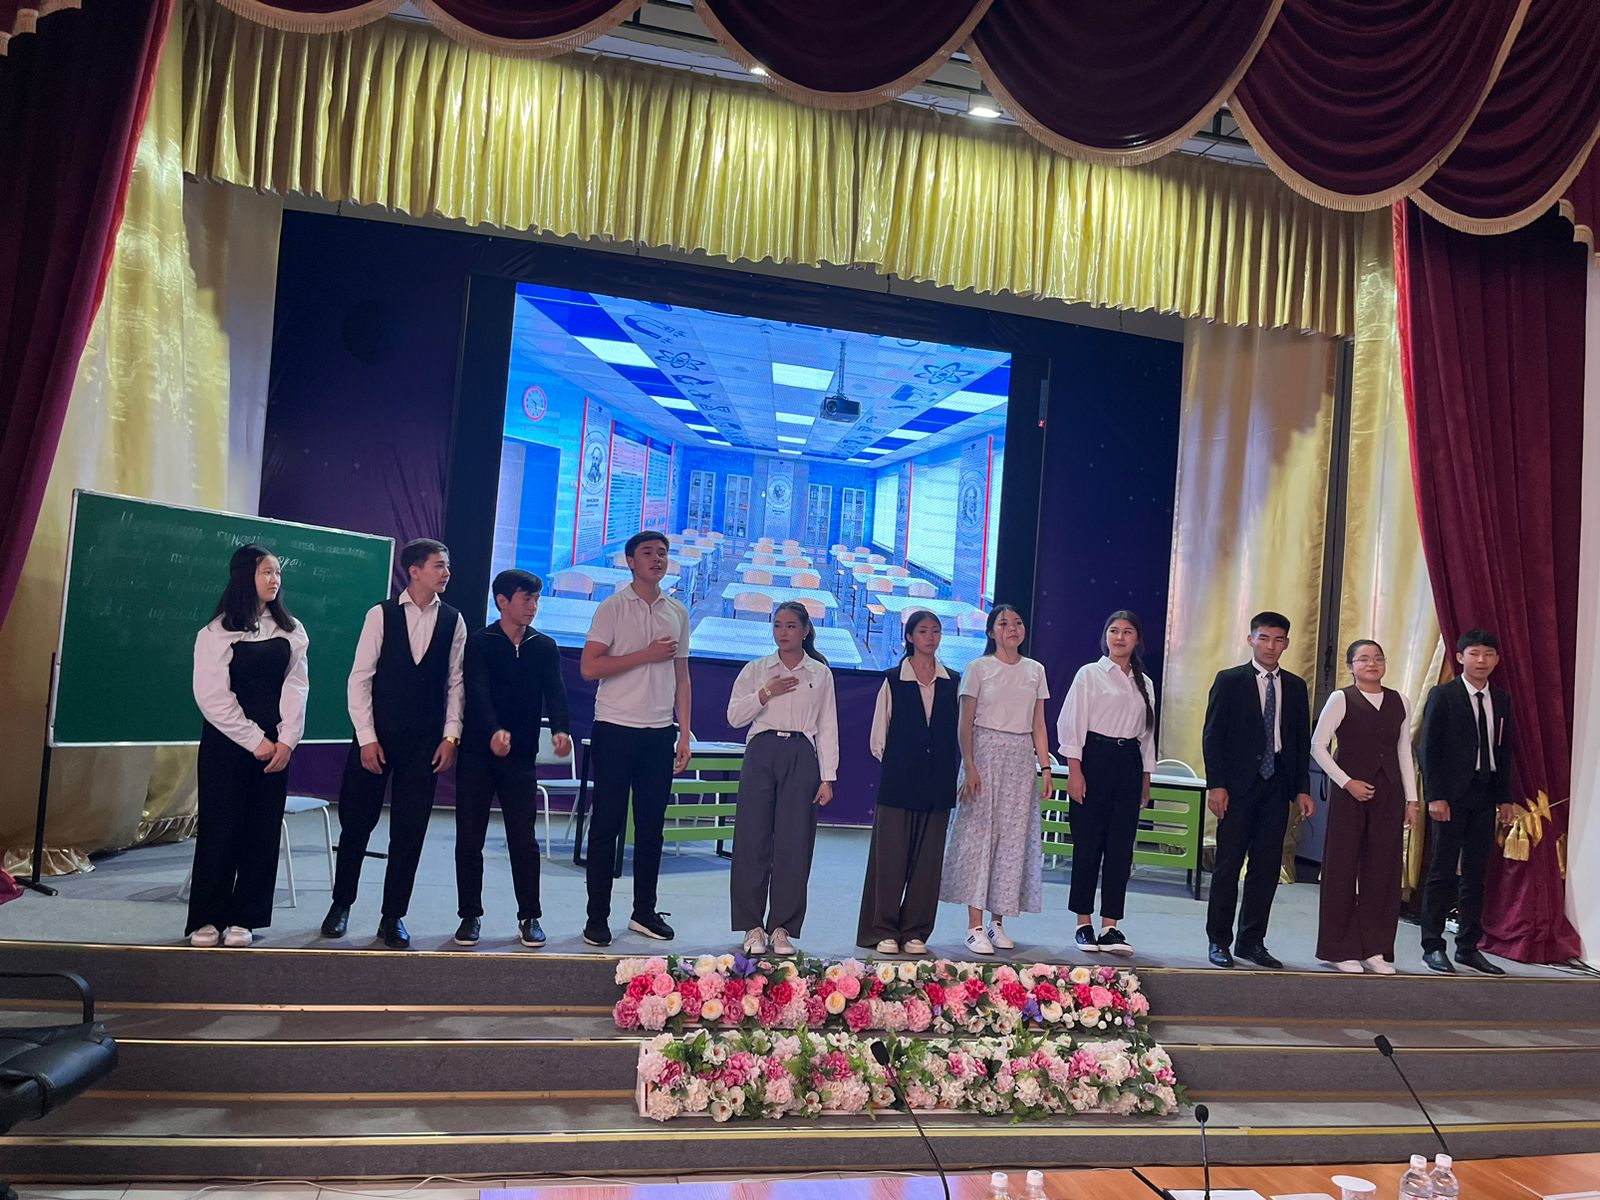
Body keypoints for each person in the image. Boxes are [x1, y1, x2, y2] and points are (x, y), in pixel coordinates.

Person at [322, 538, 466, 949]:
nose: (446, 572)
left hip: (425, 743)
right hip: (377, 738)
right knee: (356, 824)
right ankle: (341, 904)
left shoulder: (453, 619)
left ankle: (393, 915)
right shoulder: (381, 614)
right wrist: (366, 738)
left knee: (410, 829)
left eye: (447, 565)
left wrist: (451, 736)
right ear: (414, 571)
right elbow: (359, 679)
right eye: (438, 565)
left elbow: (456, 684)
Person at [187, 544, 309, 948]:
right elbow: (212, 697)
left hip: (277, 745)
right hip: (227, 744)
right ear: (245, 577)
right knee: (220, 828)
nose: (275, 580)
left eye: (277, 573)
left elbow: (297, 686)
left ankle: (245, 917)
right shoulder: (215, 632)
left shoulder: (291, 629)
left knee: (262, 830)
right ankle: (207, 917)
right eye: (266, 572)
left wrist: (286, 740)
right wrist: (254, 740)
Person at [579, 530, 692, 947]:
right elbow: (589, 668)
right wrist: (645, 655)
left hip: (659, 733)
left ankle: (644, 911)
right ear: (630, 561)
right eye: (648, 553)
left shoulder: (677, 611)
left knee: (651, 828)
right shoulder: (612, 607)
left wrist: (684, 733)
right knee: (606, 825)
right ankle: (597, 917)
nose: (657, 559)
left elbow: (682, 676)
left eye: (663, 553)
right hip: (614, 728)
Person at [454, 568, 571, 950]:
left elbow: (555, 692)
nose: (533, 606)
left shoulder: (544, 646)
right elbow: (476, 693)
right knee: (469, 837)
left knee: (523, 839)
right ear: (502, 602)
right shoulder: (480, 643)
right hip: (477, 754)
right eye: (526, 599)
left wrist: (561, 729)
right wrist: (492, 732)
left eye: (536, 599)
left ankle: (529, 916)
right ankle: (470, 915)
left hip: (519, 758)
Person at [725, 601, 838, 957]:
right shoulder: (757, 669)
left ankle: (782, 928)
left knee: (795, 843)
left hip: (801, 754)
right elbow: (734, 717)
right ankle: (752, 926)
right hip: (762, 750)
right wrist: (766, 692)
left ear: (805, 630)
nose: (783, 632)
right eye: (777, 625)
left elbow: (827, 725)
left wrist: (828, 777)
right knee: (751, 840)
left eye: (791, 626)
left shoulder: (820, 673)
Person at [1202, 611, 1313, 969]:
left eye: (1278, 640)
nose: (1270, 646)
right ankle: (1219, 941)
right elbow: (1213, 736)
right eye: (1263, 638)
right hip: (1237, 787)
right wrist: (1217, 784)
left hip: (1276, 786)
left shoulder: (1295, 686)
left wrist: (1302, 789)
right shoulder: (1230, 680)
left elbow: (1300, 742)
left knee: (1266, 869)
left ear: (1287, 644)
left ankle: (1252, 941)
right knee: (1228, 865)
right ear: (1250, 639)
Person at [940, 604, 1052, 955]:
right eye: (1003, 623)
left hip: (1020, 758)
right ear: (991, 632)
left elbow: (1038, 724)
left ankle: (997, 921)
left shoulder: (1035, 670)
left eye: (1017, 622)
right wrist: (970, 765)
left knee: (1012, 839)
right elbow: (964, 722)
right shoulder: (978, 668)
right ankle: (974, 925)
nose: (1012, 628)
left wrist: (1045, 768)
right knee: (980, 836)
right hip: (985, 753)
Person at [1310, 640, 1418, 973]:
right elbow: (1318, 746)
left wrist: (1412, 799)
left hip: (1389, 793)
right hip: (1350, 793)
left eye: (1378, 658)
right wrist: (1347, 782)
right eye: (1364, 659)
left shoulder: (1400, 700)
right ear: (1350, 666)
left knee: (1383, 871)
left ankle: (1376, 948)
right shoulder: (1341, 698)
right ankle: (1339, 948)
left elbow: (1403, 751)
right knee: (1342, 868)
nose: (1372, 664)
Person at [857, 609, 959, 956]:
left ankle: (915, 929)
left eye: (936, 631)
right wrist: (902, 764)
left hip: (938, 783)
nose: (930, 637)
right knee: (890, 857)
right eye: (923, 631)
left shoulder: (953, 681)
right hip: (899, 781)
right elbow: (879, 738)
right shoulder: (893, 680)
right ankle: (883, 928)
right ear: (910, 637)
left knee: (928, 861)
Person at [1056, 610, 1158, 956]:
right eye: (1114, 631)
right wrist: (1075, 770)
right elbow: (1071, 724)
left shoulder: (1145, 683)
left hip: (1129, 764)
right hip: (1093, 760)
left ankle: (1110, 926)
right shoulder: (1090, 674)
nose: (1120, 637)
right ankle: (1083, 923)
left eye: (1127, 632)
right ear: (1105, 636)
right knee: (1087, 845)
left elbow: (1147, 736)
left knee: (1120, 849)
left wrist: (1145, 777)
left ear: (1137, 639)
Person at [1418, 629, 1516, 976]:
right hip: (1450, 795)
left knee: (1476, 874)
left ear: (1497, 659)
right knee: (1441, 871)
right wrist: (1435, 796)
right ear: (1460, 657)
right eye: (1474, 654)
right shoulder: (1443, 695)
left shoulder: (1501, 699)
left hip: (1485, 793)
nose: (1481, 661)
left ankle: (1468, 947)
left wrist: (1506, 798)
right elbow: (1428, 749)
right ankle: (1432, 945)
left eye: (1488, 654)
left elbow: (1505, 751)